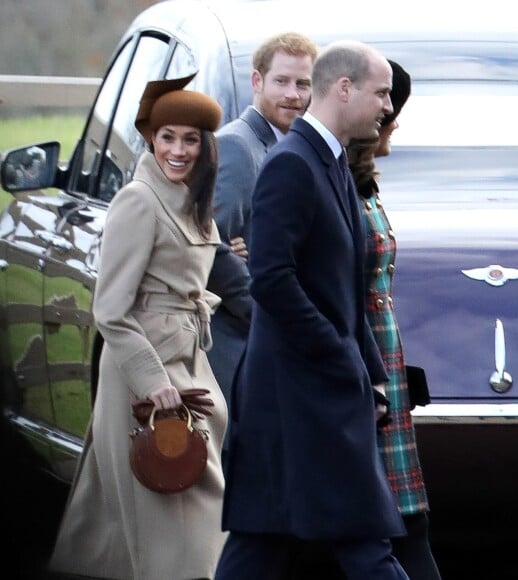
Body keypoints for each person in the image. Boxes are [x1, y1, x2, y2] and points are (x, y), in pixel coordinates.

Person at [215, 41, 409, 580]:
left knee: (262, 543)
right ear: (344, 89)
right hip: (297, 398)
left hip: (314, 394)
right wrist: (341, 361)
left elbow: (343, 291)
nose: (387, 108)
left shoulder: (330, 163)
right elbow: (272, 281)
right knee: (362, 543)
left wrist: (369, 371)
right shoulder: (292, 165)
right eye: (381, 93)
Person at [48, 75, 228, 580]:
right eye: (167, 136)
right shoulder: (139, 200)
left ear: (206, 145)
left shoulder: (190, 200)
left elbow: (180, 278)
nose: (178, 149)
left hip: (187, 363)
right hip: (146, 376)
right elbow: (110, 308)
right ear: (151, 138)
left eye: (191, 139)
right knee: (178, 509)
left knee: (132, 526)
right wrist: (155, 382)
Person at [347, 60, 442, 580]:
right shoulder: (331, 180)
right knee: (378, 529)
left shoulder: (364, 185)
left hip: (384, 364)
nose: (394, 122)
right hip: (364, 368)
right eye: (388, 110)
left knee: (408, 521)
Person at [206, 32, 317, 441]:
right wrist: (264, 312)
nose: (292, 94)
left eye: (302, 84)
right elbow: (208, 244)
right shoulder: (237, 145)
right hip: (235, 341)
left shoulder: (281, 145)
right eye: (281, 81)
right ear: (257, 81)